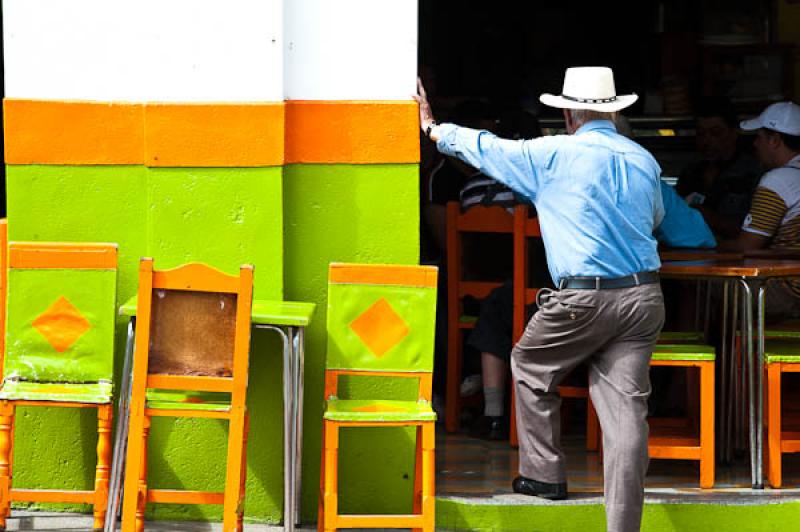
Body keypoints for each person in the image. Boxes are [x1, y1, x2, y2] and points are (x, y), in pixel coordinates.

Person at [416, 66, 665, 532]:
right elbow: (654, 219)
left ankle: (543, 474)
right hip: (643, 297)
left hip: (583, 299)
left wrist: (433, 129)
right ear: (612, 112)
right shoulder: (643, 159)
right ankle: (623, 525)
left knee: (529, 363)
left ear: (569, 113)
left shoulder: (552, 155)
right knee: (626, 410)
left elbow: (487, 149)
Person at [465, 179, 715, 441]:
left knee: (498, 305)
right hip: (623, 306)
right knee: (661, 303)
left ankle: (494, 415)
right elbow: (699, 237)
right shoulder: (641, 180)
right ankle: (644, 408)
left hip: (547, 305)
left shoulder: (550, 176)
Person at [720, 101, 800, 320]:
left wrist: (711, 244)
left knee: (702, 290)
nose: (755, 145)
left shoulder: (779, 180)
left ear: (774, 140)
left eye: (759, 137)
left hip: (790, 290)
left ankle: (722, 353)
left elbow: (746, 247)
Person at [676, 96, 762, 238]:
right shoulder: (690, 173)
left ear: (734, 133)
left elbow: (755, 231)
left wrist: (707, 216)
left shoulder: (753, 173)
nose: (706, 141)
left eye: (716, 133)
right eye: (701, 133)